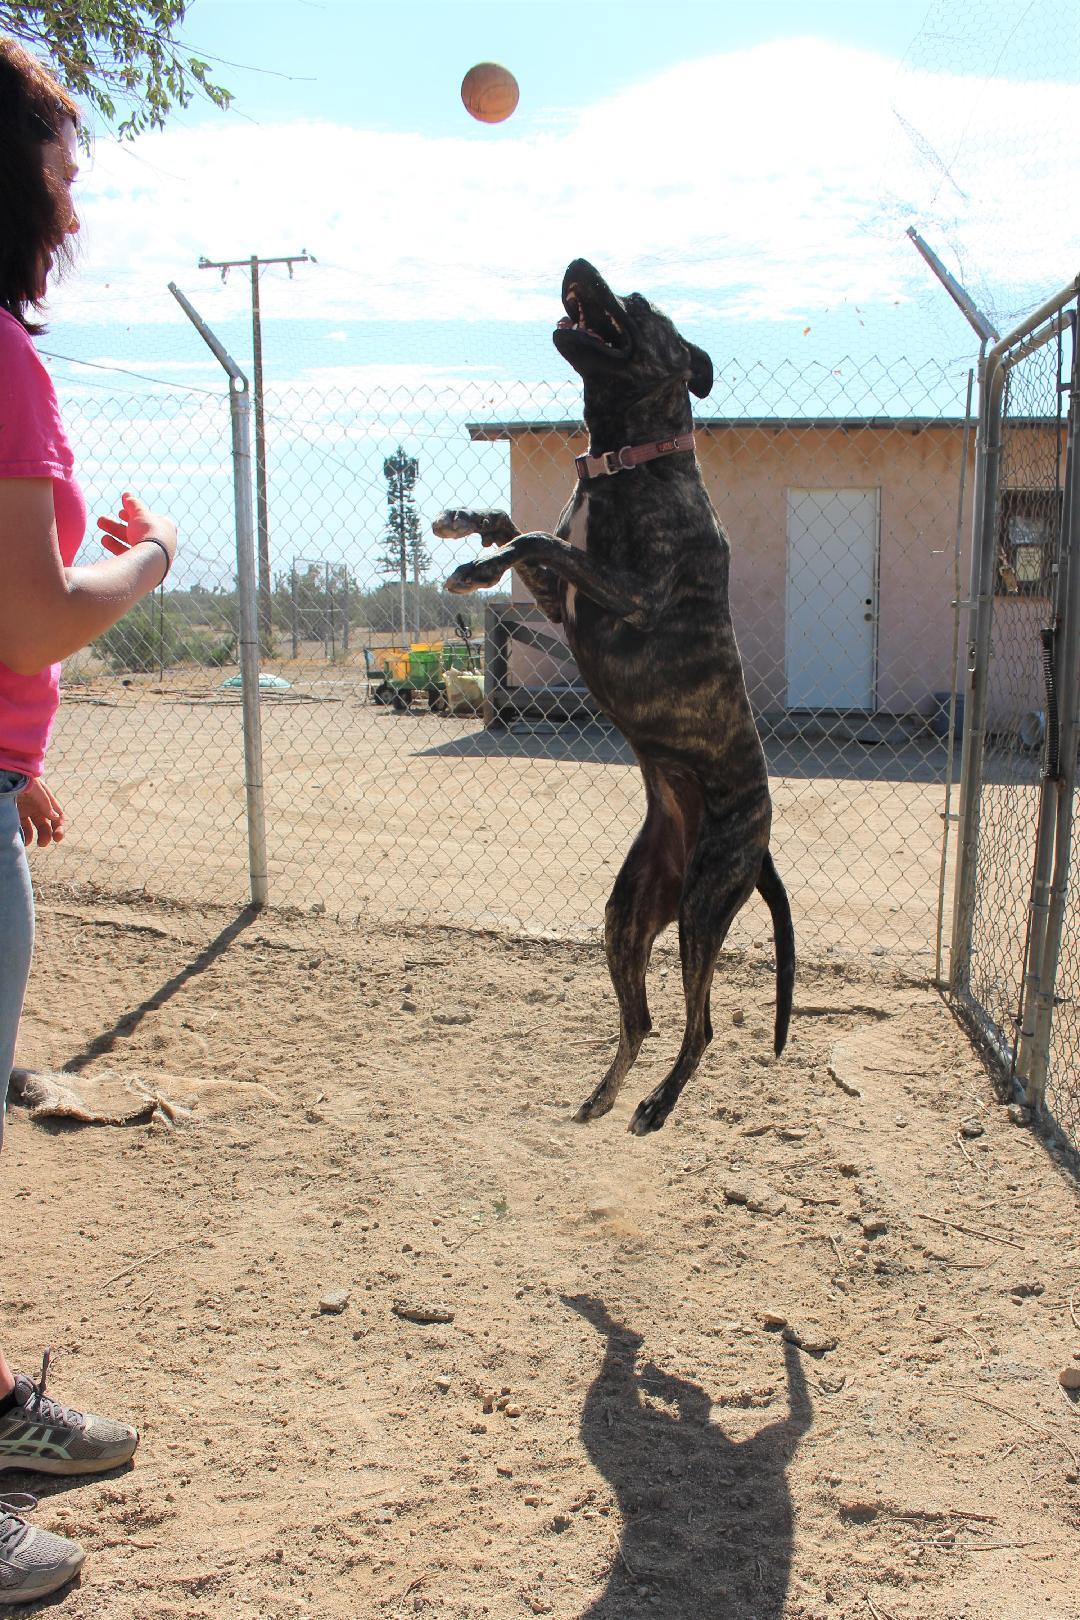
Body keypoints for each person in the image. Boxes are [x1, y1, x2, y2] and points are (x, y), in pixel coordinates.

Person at [0, 38, 180, 1603]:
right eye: (62, 175)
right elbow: (35, 613)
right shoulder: (2, 359)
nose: (73, 210)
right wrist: (154, 564)